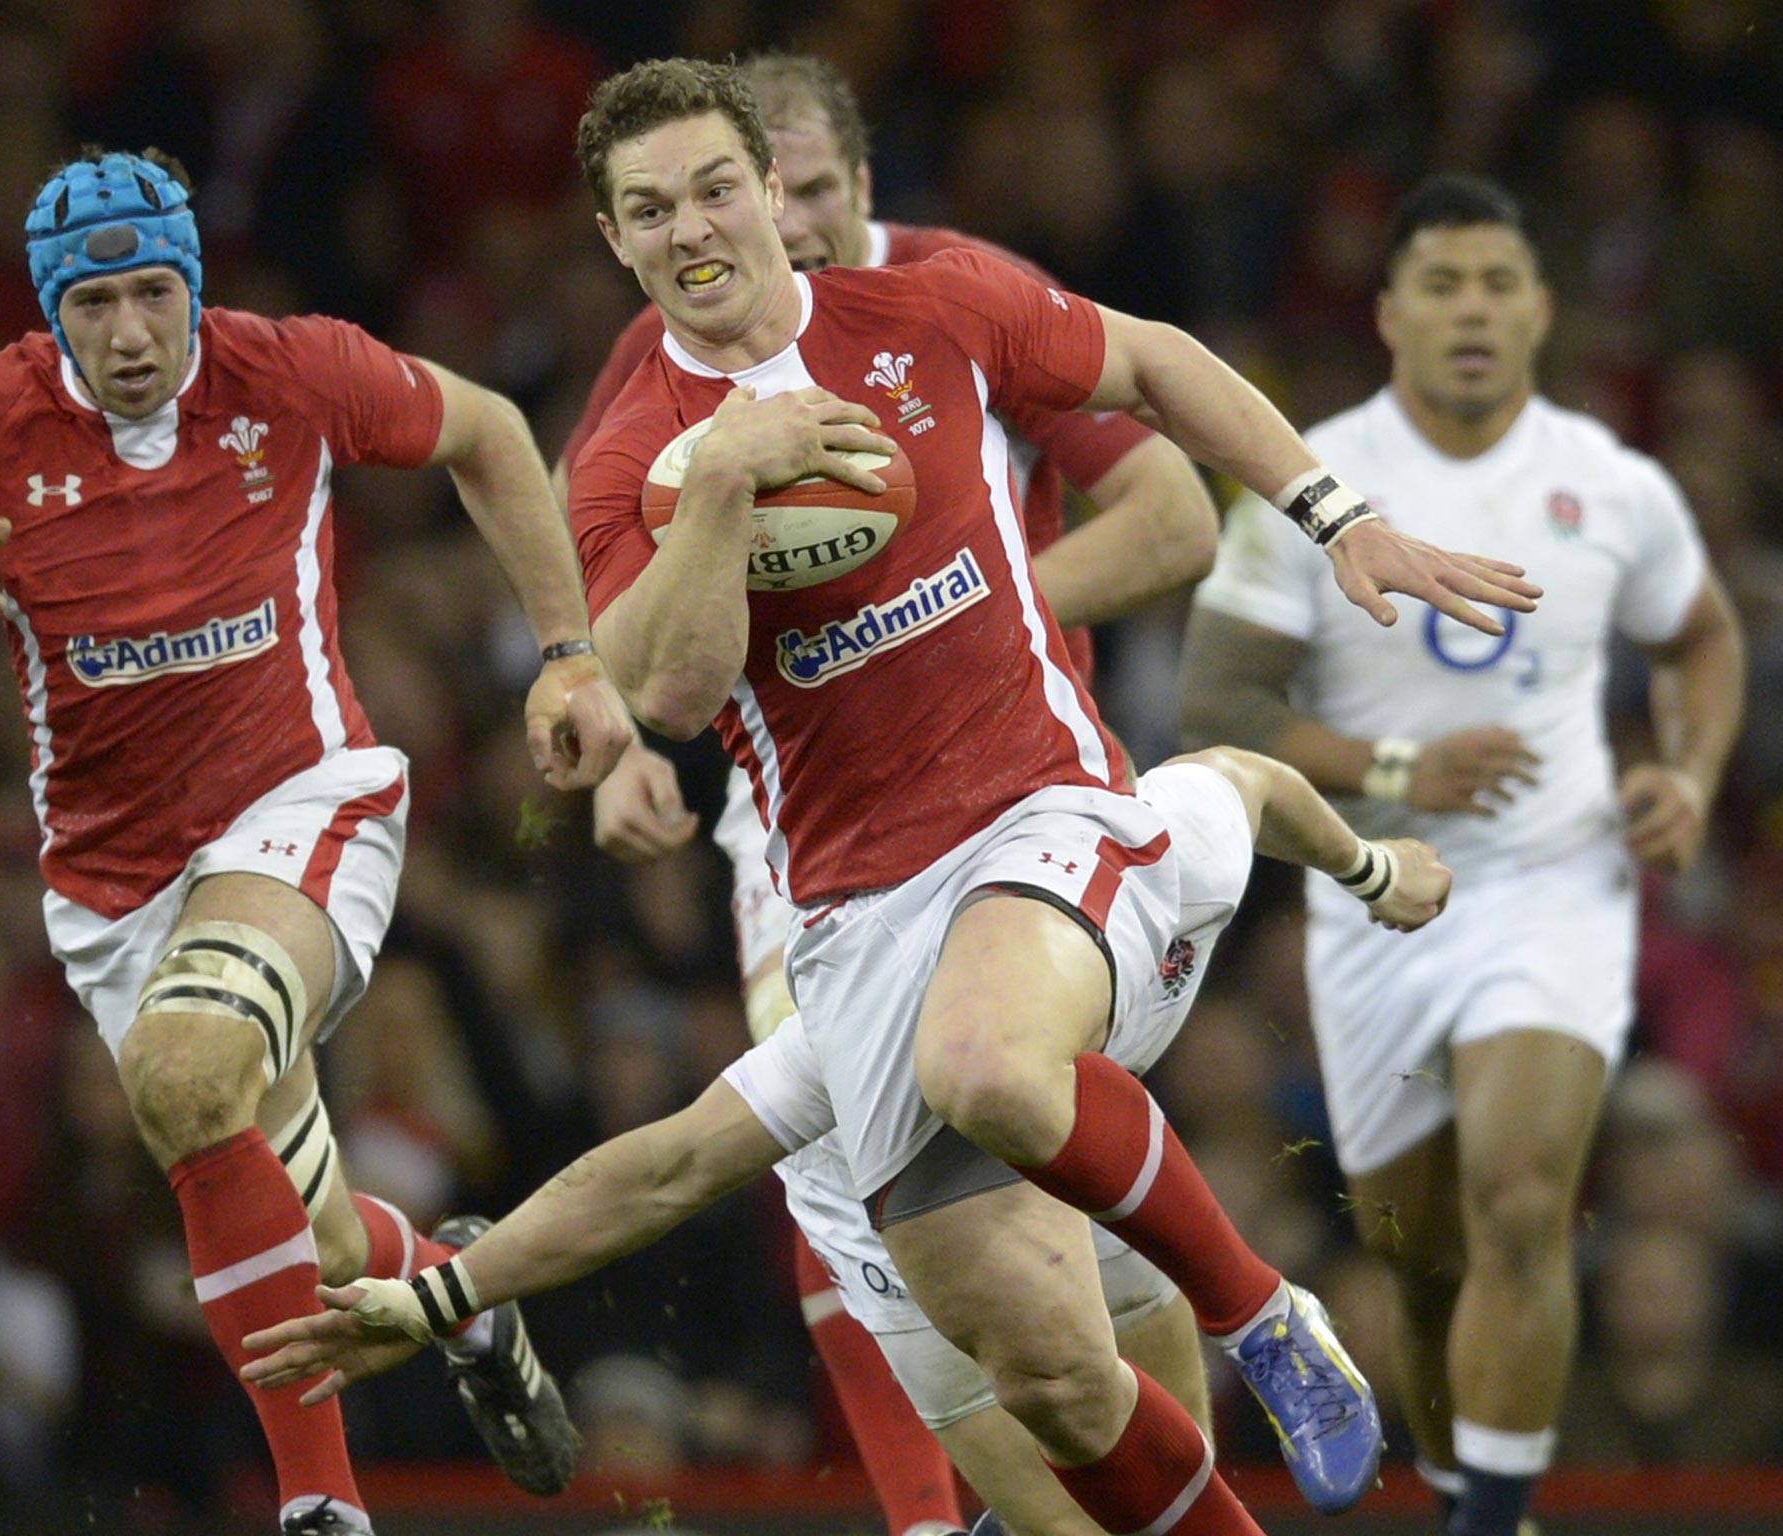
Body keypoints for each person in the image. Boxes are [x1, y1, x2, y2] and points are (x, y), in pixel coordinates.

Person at [263, 61, 1537, 1536]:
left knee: (992, 1067)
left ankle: (1263, 1315)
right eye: (648, 208)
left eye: (717, 187)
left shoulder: (931, 307)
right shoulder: (621, 459)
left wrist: (1339, 518)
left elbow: (1158, 363)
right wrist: (730, 479)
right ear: (614, 241)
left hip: (1040, 817)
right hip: (855, 920)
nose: (694, 228)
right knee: (1053, 1383)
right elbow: (667, 696)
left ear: (773, 193)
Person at [0, 146, 633, 1536]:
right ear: (49, 312)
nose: (130, 335)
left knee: (187, 1069)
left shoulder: (290, 372)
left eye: (152, 294)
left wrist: (567, 653)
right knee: (304, 1237)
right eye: (94, 307)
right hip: (117, 891)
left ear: (192, 282)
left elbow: (491, 430)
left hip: (302, 806)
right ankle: (458, 1295)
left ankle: (320, 1509)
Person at [569, 52, 1220, 1536]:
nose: (766, 229)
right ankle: (940, 1514)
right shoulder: (654, 367)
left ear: (858, 192)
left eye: (794, 192)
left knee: (1050, 1175)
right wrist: (606, 738)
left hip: (1017, 781)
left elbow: (1177, 516)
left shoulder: (947, 292)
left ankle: (1165, 1475)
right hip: (798, 818)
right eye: (695, 202)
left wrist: (964, 604)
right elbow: (613, 599)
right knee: (842, 1166)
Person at [240, 744, 1455, 1534]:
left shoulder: (1143, 841)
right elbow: (657, 1168)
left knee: (1016, 1099)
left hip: (1084, 1136)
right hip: (894, 1181)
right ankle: (1233, 1331)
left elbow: (1247, 781)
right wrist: (444, 1294)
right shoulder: (854, 1029)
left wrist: (1366, 865)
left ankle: (1262, 1316)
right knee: (1070, 1459)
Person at [1178, 173, 1744, 1536]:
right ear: (1388, 312)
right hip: (1375, 898)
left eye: (1499, 282)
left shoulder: (1610, 485)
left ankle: (1492, 1519)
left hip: (1558, 882)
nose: (1473, 309)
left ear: (1543, 308)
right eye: (1442, 284)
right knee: (1419, 1261)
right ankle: (1457, 1488)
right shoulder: (1305, 480)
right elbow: (1218, 710)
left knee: (1520, 1194)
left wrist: (1688, 770)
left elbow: (1704, 640)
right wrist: (1395, 775)